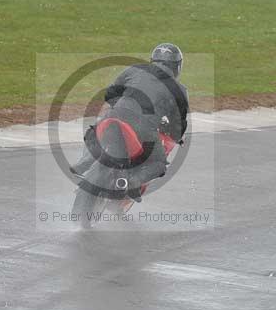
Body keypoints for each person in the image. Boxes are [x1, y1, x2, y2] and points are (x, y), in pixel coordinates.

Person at [71, 43, 189, 200]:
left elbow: (111, 93)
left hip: (115, 116)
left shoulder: (135, 69)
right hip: (144, 128)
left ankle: (83, 163)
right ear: (177, 66)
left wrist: (123, 106)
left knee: (94, 133)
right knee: (159, 164)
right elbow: (179, 123)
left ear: (152, 60)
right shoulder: (179, 89)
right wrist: (175, 135)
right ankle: (131, 183)